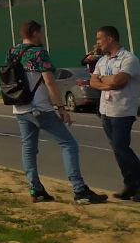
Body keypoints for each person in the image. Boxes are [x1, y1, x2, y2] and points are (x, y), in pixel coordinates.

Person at [8, 19, 106, 204]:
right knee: (69, 144)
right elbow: (50, 81)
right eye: (41, 32)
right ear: (35, 33)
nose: (42, 36)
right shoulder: (39, 53)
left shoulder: (14, 51)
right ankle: (79, 189)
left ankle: (35, 189)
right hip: (40, 108)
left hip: (20, 107)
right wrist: (61, 107)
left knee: (28, 149)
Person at [81, 25, 139, 199]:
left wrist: (105, 81)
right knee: (116, 149)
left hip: (122, 110)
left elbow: (120, 80)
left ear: (110, 39)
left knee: (121, 146)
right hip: (105, 110)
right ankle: (130, 185)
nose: (97, 43)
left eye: (99, 39)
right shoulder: (103, 60)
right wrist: (108, 82)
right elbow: (93, 82)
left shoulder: (128, 58)